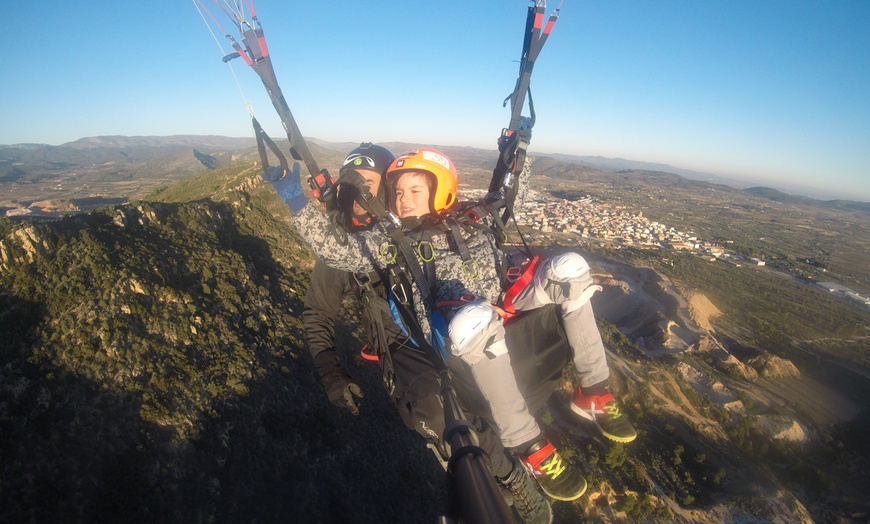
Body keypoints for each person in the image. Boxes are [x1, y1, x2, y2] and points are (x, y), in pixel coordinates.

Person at [301, 143, 553, 524]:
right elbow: (318, 312)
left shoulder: (416, 227)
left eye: (371, 184)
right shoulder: (343, 249)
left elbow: (479, 218)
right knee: (435, 411)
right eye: (353, 186)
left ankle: (514, 453)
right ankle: (508, 476)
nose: (360, 195)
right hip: (400, 342)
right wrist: (329, 370)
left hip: (443, 321)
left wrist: (512, 165)